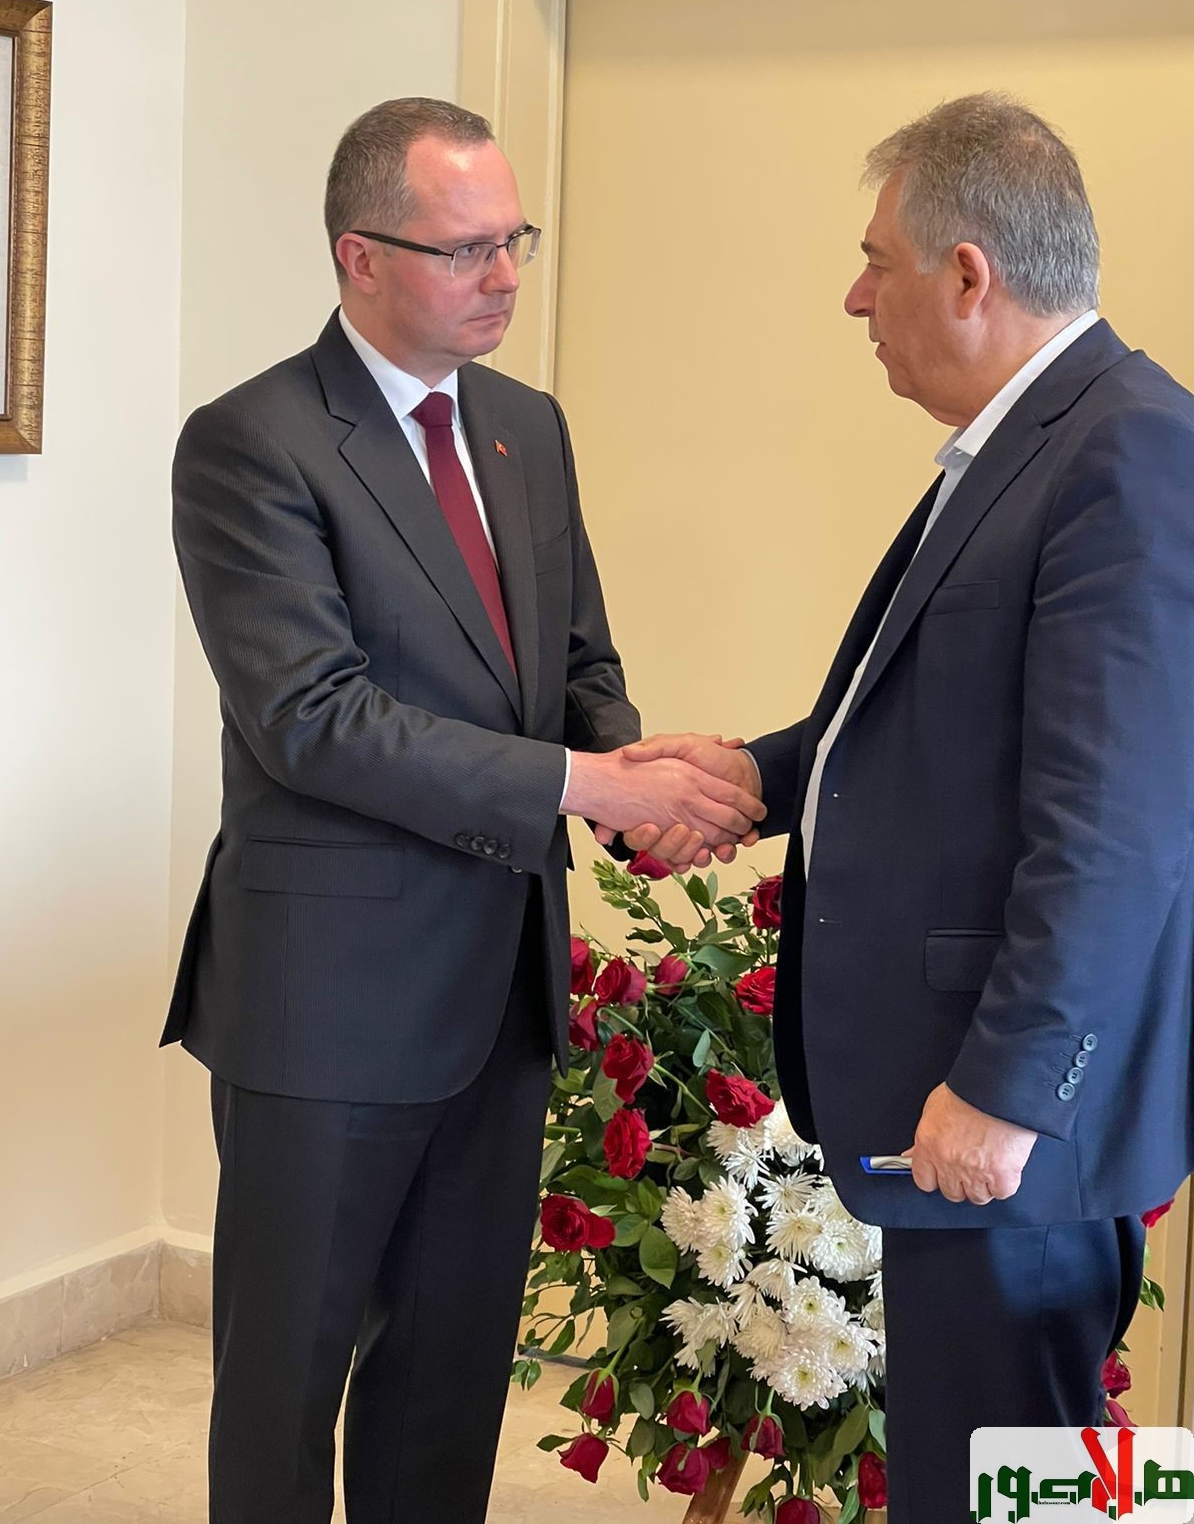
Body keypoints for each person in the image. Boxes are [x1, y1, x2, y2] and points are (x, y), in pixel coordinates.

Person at [163, 96, 764, 1524]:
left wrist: (634, 782)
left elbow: (573, 667)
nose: (503, 277)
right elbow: (314, 720)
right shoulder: (251, 443)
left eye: (515, 241)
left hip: (497, 992)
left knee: (446, 1379)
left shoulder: (524, 429)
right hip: (325, 1001)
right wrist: (583, 783)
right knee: (286, 1383)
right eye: (466, 249)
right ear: (359, 255)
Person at [615, 94, 1194, 1520]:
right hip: (978, 1113)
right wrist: (752, 779)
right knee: (979, 1476)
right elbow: (941, 727)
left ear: (969, 274)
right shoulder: (1038, 440)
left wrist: (1009, 1089)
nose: (856, 297)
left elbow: (1120, 826)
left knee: (1010, 1481)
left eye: (878, 261)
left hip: (1015, 1130)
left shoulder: (1124, 452)